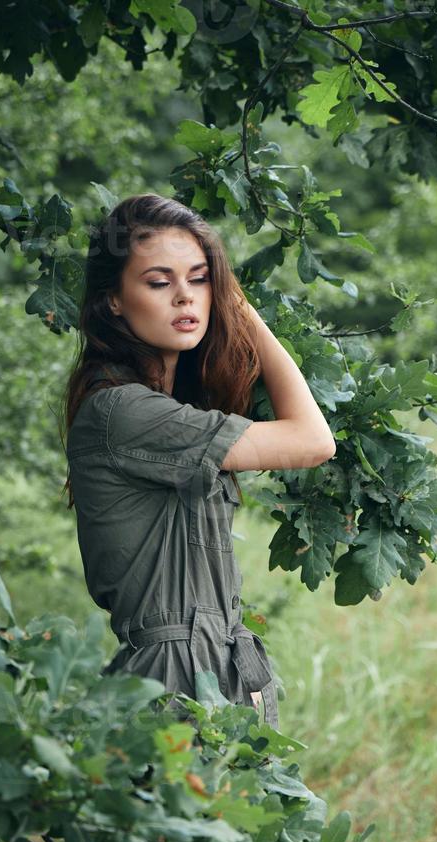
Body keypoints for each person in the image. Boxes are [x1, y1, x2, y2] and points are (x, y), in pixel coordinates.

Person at [61, 194, 335, 730]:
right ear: (114, 299)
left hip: (227, 668)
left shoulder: (174, 408)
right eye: (159, 283)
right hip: (174, 684)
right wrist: (239, 308)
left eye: (202, 278)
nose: (185, 297)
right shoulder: (122, 410)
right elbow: (313, 440)